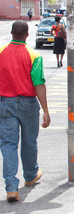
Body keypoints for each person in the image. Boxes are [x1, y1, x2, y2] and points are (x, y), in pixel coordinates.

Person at [0, 21, 50, 202]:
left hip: (5, 102)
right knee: (29, 141)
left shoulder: (1, 52)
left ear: (11, 32)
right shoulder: (34, 55)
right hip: (28, 103)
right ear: (27, 35)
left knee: (8, 145)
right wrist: (45, 109)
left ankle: (11, 187)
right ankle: (30, 175)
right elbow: (39, 84)